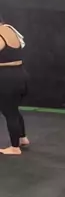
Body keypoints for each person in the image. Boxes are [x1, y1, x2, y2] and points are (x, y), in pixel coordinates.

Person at [0, 18, 29, 156]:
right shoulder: (9, 29)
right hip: (20, 74)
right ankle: (22, 138)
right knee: (12, 109)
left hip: (7, 78)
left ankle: (14, 147)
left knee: (9, 112)